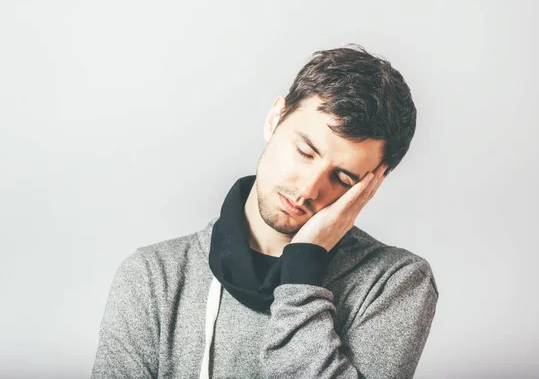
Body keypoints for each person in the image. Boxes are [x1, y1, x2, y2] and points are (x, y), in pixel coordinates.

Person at [91, 44, 439, 378]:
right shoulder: (154, 276)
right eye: (305, 152)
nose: (308, 189)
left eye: (343, 178)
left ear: (370, 186)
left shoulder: (394, 282)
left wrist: (303, 265)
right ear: (275, 118)